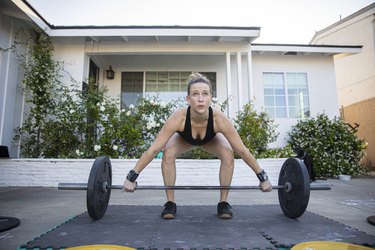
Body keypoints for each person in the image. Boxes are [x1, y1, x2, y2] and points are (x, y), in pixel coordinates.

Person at [123, 72, 272, 219]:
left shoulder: (219, 119)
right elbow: (154, 149)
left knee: (228, 154)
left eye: (205, 94)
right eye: (195, 94)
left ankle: (223, 203)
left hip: (210, 140)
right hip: (184, 139)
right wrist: (131, 177)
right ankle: (170, 203)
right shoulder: (178, 118)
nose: (200, 99)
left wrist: (263, 178)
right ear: (188, 99)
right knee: (167, 152)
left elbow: (243, 151)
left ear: (210, 98)